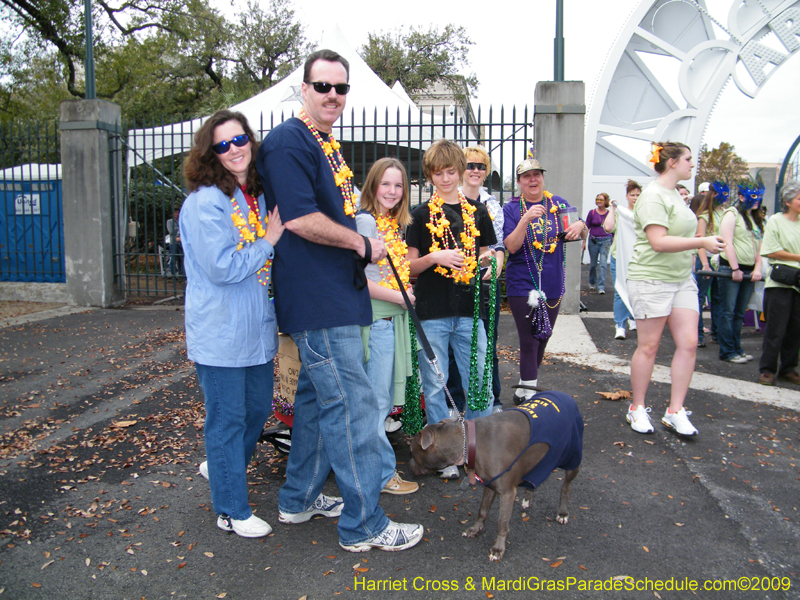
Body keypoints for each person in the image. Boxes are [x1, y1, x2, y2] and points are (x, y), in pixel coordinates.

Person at [257, 49, 423, 552]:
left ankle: (299, 498)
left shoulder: (323, 141)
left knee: (313, 400)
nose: (333, 95)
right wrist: (361, 242)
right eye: (323, 86)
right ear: (303, 90)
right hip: (318, 298)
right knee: (350, 406)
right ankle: (364, 525)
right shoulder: (288, 141)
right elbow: (300, 218)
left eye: (341, 88)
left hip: (335, 294)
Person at [180, 109, 284, 538]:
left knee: (257, 410)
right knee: (227, 419)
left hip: (255, 328)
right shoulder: (206, 201)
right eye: (222, 145)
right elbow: (223, 267)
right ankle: (230, 508)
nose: (234, 150)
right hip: (221, 331)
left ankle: (222, 464)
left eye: (240, 140)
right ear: (211, 153)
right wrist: (269, 242)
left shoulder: (255, 196)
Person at [406, 139, 498, 480]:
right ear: (430, 175)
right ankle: (440, 449)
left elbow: (489, 250)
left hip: (469, 310)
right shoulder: (419, 216)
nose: (445, 179)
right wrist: (436, 258)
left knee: (479, 380)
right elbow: (410, 268)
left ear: (460, 172)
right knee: (434, 383)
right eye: (438, 173)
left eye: (450, 172)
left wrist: (488, 263)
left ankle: (481, 447)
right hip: (432, 311)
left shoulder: (478, 212)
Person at [625, 142, 725, 437]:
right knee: (649, 346)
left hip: (682, 278)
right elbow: (658, 242)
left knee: (689, 343)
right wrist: (702, 242)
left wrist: (705, 244)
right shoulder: (653, 195)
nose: (692, 165)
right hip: (651, 278)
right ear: (672, 163)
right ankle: (637, 407)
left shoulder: (676, 195)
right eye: (688, 159)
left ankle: (675, 410)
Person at [354, 157, 418, 496]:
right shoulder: (366, 222)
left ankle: (373, 472)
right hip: (377, 321)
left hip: (389, 320)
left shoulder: (390, 223)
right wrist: (399, 297)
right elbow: (361, 281)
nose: (392, 191)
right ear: (373, 185)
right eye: (386, 184)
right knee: (376, 403)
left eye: (398, 185)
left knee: (377, 401)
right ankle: (380, 476)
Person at [503, 158, 587, 403]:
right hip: (523, 282)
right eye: (527, 176)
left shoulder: (557, 203)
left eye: (537, 174)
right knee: (529, 339)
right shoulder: (512, 209)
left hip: (552, 282)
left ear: (542, 178)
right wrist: (526, 219)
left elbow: (578, 232)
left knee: (543, 337)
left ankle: (524, 386)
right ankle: (530, 395)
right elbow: (511, 246)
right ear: (519, 182)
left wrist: (581, 225)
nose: (533, 180)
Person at [446, 145, 505, 414]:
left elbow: (498, 245)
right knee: (452, 347)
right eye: (470, 165)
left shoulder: (491, 205)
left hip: (483, 281)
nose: (475, 171)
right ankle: (456, 403)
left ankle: (491, 400)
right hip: (453, 283)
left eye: (481, 166)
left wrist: (496, 266)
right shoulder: (448, 200)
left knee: (485, 344)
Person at [716, 180, 764, 364]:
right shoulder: (732, 214)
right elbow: (726, 242)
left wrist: (757, 268)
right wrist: (735, 268)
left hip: (749, 271)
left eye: (759, 196)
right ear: (742, 196)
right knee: (727, 311)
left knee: (739, 313)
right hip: (731, 269)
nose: (757, 200)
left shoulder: (755, 218)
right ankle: (727, 351)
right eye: (753, 196)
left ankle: (737, 348)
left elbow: (760, 245)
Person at [758, 180, 800, 386]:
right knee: (776, 328)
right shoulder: (775, 220)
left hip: (798, 283)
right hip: (780, 283)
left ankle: (789, 368)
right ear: (788, 201)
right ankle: (767, 369)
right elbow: (770, 250)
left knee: (796, 328)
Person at [603, 179, 641, 339]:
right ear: (627, 196)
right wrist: (612, 208)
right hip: (620, 256)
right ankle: (620, 325)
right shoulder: (621, 213)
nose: (635, 197)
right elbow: (608, 227)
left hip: (639, 258)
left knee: (637, 291)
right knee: (620, 290)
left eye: (638, 195)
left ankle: (633, 317)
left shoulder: (644, 214)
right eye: (632, 195)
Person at [693, 181, 728, 347]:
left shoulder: (726, 214)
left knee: (718, 298)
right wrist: (705, 264)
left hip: (721, 260)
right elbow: (699, 240)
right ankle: (698, 335)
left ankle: (716, 333)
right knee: (699, 298)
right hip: (706, 260)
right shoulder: (705, 215)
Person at [586, 192, 613, 294]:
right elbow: (587, 226)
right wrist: (583, 241)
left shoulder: (609, 213)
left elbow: (613, 228)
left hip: (605, 241)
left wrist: (613, 240)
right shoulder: (592, 212)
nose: (599, 202)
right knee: (593, 265)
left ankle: (601, 286)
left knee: (603, 263)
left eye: (601, 200)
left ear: (605, 201)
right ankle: (592, 282)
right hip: (593, 240)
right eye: (597, 199)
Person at [166, 208, 183, 277]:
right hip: (173, 242)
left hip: (181, 242)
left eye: (177, 212)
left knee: (182, 258)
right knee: (173, 257)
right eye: (175, 212)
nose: (177, 214)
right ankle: (173, 272)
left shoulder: (181, 221)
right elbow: (171, 231)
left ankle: (182, 273)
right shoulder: (170, 221)